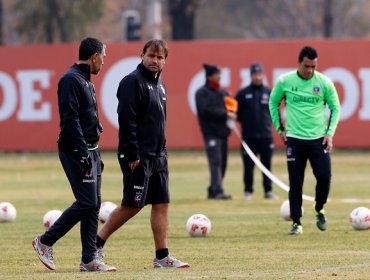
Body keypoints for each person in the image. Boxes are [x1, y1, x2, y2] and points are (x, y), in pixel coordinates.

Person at [95, 39, 189, 269]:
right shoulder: (131, 82)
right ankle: (95, 245)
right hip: (137, 155)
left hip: (158, 156)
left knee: (161, 203)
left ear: (165, 60)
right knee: (132, 205)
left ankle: (162, 256)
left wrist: (162, 150)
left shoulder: (160, 85)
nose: (155, 61)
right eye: (151, 56)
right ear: (142, 55)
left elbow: (158, 122)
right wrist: (132, 153)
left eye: (159, 57)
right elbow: (127, 120)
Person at [32, 37, 116, 272]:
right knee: (87, 202)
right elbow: (70, 120)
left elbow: (87, 117)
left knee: (94, 204)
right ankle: (44, 241)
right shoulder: (70, 80)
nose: (104, 62)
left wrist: (95, 149)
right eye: (104, 57)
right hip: (75, 150)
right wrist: (81, 153)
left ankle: (89, 259)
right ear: (95, 56)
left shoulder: (85, 80)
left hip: (91, 150)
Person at [269, 46, 341, 235]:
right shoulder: (285, 81)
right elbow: (273, 102)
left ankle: (319, 208)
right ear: (299, 63)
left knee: (324, 177)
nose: (310, 70)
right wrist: (280, 129)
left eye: (313, 66)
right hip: (294, 139)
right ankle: (296, 223)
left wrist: (329, 133)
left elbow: (335, 107)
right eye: (306, 66)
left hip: (318, 139)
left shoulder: (324, 82)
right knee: (296, 182)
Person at [235, 63, 278, 201]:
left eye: (260, 74)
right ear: (251, 76)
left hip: (266, 136)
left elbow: (274, 112)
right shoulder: (242, 94)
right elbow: (237, 114)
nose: (258, 77)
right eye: (255, 74)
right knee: (248, 166)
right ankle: (248, 191)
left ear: (263, 75)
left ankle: (268, 191)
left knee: (267, 165)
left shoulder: (269, 92)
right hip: (248, 137)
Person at [195, 63, 236, 200]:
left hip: (223, 133)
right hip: (211, 133)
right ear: (210, 76)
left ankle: (213, 189)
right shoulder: (201, 93)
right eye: (217, 74)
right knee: (215, 162)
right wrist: (226, 114)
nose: (219, 76)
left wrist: (232, 112)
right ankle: (218, 191)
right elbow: (206, 111)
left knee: (223, 163)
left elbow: (231, 106)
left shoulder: (223, 93)